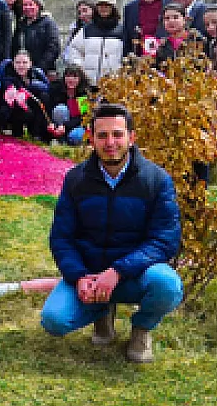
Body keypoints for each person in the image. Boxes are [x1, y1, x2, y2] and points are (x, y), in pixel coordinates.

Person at [40, 103, 183, 363]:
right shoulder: (75, 180)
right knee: (54, 321)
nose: (110, 142)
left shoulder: (156, 180)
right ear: (91, 138)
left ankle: (141, 330)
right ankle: (101, 310)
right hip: (89, 275)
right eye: (102, 135)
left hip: (133, 274)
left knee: (168, 284)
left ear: (131, 137)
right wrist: (79, 277)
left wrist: (117, 271)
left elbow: (165, 240)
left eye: (117, 134)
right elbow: (61, 237)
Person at [66, 0, 126, 85]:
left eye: (107, 5)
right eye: (101, 5)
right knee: (83, 100)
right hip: (88, 83)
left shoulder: (122, 30)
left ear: (113, 8)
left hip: (113, 85)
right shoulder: (86, 29)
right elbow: (74, 49)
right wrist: (80, 69)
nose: (103, 8)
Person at [0, 49, 51, 141]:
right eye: (18, 62)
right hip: (13, 108)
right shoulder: (6, 73)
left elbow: (48, 88)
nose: (21, 66)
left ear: (30, 63)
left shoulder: (37, 73)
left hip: (32, 106)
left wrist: (30, 85)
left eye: (24, 62)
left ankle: (37, 132)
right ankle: (11, 128)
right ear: (13, 63)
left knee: (44, 97)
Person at [16, 0, 61, 78]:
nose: (28, 7)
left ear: (38, 5)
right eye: (25, 5)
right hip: (22, 71)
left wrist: (39, 69)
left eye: (31, 4)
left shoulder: (48, 23)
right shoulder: (21, 24)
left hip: (43, 72)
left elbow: (54, 48)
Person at [48, 64, 92, 145]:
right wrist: (51, 124)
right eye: (68, 76)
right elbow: (49, 108)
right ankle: (58, 138)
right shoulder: (56, 89)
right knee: (60, 109)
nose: (71, 80)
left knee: (76, 136)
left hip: (76, 124)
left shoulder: (84, 94)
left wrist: (65, 126)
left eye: (75, 77)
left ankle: (68, 140)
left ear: (80, 79)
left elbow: (83, 117)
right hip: (58, 123)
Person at [154, 2, 205, 70]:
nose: (171, 21)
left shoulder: (197, 40)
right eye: (167, 18)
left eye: (175, 17)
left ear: (185, 19)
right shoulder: (162, 46)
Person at [62, 0, 94, 66]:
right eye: (79, 12)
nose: (82, 15)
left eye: (85, 10)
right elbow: (67, 53)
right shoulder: (75, 30)